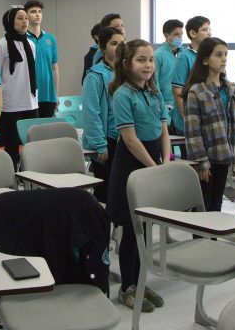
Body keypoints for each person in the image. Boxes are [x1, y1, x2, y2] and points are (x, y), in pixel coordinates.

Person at [106, 39, 170, 312]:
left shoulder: (154, 92)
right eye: (141, 60)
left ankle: (140, 281)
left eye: (151, 60)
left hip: (153, 163)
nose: (148, 65)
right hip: (131, 167)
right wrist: (154, 168)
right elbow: (130, 140)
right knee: (132, 231)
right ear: (126, 63)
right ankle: (127, 287)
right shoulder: (123, 94)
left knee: (145, 229)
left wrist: (165, 163)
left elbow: (164, 130)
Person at [183, 37, 235, 212]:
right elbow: (192, 132)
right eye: (218, 55)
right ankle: (199, 232)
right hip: (207, 159)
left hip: (225, 156)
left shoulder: (231, 89)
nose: (224, 59)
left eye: (225, 54)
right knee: (203, 205)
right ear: (205, 60)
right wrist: (201, 162)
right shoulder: (196, 90)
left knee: (217, 204)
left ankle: (213, 232)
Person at [0, 7, 38, 168]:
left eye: (26, 18)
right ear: (10, 21)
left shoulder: (31, 44)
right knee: (11, 148)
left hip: (30, 102)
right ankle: (11, 178)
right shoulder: (1, 45)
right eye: (20, 18)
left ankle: (28, 176)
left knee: (31, 147)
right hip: (10, 105)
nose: (25, 21)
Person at [81, 26, 124, 203]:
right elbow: (91, 114)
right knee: (106, 195)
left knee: (123, 192)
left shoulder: (128, 72)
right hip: (107, 141)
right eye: (114, 43)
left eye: (122, 43)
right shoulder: (95, 76)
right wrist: (100, 145)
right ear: (102, 47)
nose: (119, 47)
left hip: (126, 139)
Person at [171, 16, 211, 156]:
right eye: (205, 30)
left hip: (205, 118)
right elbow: (177, 90)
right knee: (191, 161)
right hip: (188, 119)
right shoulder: (185, 57)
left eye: (209, 29)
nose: (209, 33)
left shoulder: (208, 56)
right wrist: (187, 119)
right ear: (193, 33)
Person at [25, 0, 60, 117]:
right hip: (29, 95)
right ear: (26, 15)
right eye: (33, 12)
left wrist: (56, 94)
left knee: (47, 127)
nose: (37, 14)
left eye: (39, 11)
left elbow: (54, 67)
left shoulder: (50, 38)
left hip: (48, 95)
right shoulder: (22, 39)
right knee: (30, 127)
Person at [155, 19, 183, 130]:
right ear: (166, 35)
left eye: (181, 34)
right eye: (176, 34)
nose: (180, 37)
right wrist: (161, 106)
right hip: (165, 105)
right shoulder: (158, 55)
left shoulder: (184, 54)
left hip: (181, 103)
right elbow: (154, 83)